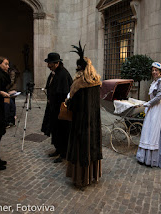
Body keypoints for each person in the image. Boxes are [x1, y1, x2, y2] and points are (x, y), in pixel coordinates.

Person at [65, 42, 102, 189]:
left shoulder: (77, 84)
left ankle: (80, 178)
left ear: (78, 68)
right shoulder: (96, 82)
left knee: (81, 149)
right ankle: (92, 175)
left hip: (80, 124)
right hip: (94, 122)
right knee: (92, 147)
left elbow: (72, 106)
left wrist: (68, 101)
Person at [136, 62, 161, 168]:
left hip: (158, 109)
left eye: (156, 70)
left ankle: (154, 159)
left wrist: (147, 104)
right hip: (152, 108)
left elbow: (158, 98)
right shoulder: (154, 82)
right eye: (153, 70)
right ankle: (145, 157)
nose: (154, 72)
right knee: (149, 131)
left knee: (154, 132)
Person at [41, 52, 73, 163]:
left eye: (49, 63)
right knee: (55, 130)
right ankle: (58, 149)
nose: (48, 66)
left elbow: (64, 93)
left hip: (60, 109)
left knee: (62, 131)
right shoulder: (54, 73)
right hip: (53, 108)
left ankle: (64, 153)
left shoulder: (63, 74)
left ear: (56, 63)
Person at [4, 62, 19, 128]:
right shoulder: (9, 72)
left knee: (8, 104)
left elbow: (11, 82)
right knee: (11, 104)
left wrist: (4, 88)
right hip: (8, 91)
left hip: (10, 91)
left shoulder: (12, 72)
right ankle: (11, 121)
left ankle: (9, 121)